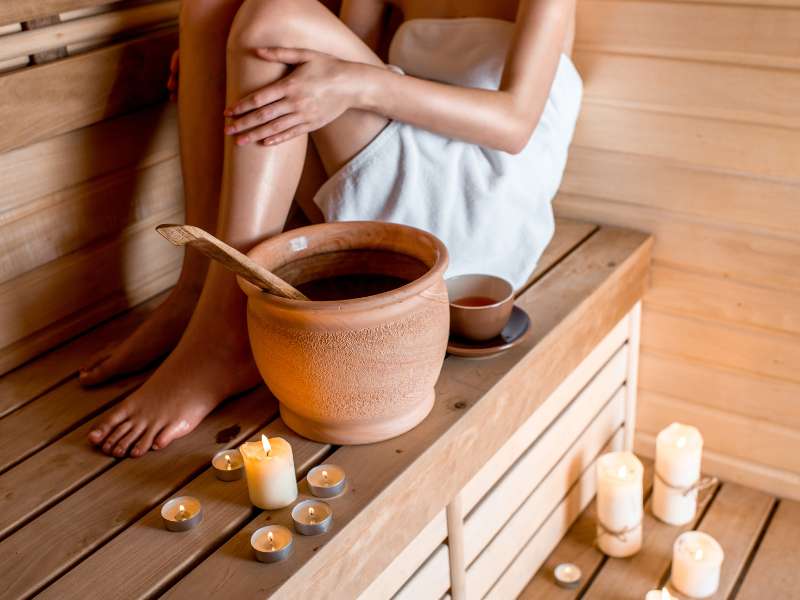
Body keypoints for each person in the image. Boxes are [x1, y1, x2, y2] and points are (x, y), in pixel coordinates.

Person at [80, 0, 582, 457]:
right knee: (214, 8)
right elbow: (341, 51)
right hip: (403, 149)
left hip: (482, 196)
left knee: (272, 22)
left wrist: (353, 83)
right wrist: (218, 65)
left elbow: (515, 124)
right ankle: (198, 288)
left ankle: (227, 328)